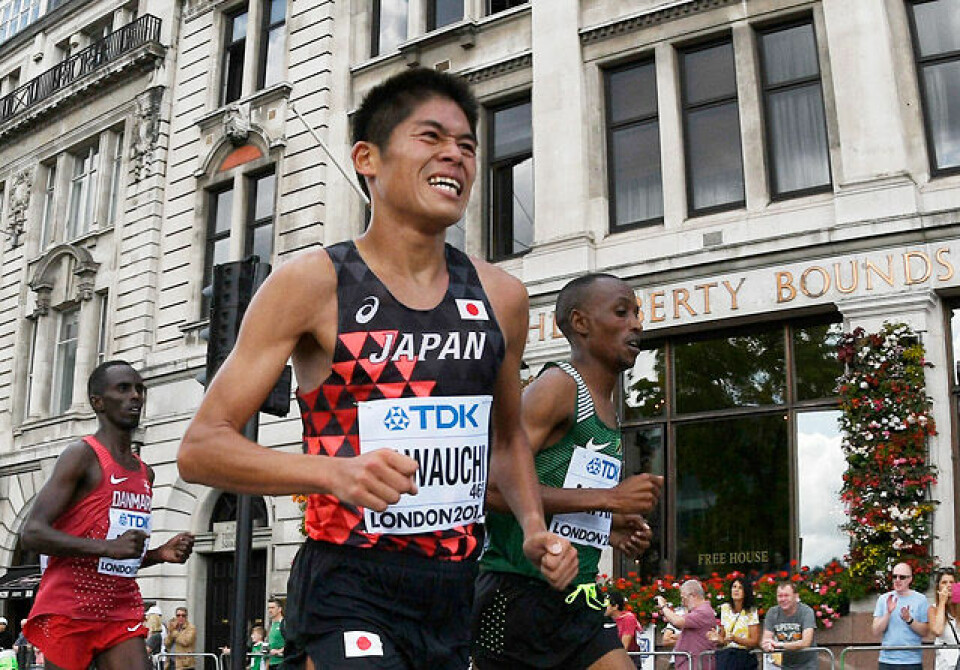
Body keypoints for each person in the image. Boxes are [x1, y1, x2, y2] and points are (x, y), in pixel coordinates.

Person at [177, 67, 577, 670]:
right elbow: (201, 449)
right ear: (367, 158)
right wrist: (334, 474)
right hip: (349, 580)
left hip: (452, 590)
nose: (456, 155)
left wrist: (532, 525)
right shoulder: (312, 283)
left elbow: (506, 437)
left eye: (468, 145)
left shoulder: (503, 296)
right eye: (431, 137)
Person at [471, 273, 662, 670]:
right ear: (580, 322)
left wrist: (607, 527)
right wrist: (610, 498)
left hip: (578, 598)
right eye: (622, 312)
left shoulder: (608, 406)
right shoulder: (558, 386)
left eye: (637, 313)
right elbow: (490, 487)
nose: (637, 325)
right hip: (516, 595)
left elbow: (556, 491)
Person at [20, 360, 195, 670]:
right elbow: (32, 533)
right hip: (70, 607)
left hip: (120, 607)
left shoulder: (145, 473)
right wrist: (108, 547)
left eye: (140, 389)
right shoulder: (81, 456)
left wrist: (158, 554)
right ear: (97, 402)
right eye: (123, 389)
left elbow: (117, 555)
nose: (136, 396)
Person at [872, 562, 929, 670]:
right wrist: (888, 613)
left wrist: (909, 620)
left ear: (910, 579)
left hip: (912, 661)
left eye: (902, 577)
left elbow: (925, 632)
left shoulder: (921, 599)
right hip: (887, 661)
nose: (897, 580)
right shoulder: (884, 599)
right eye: (894, 576)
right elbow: (875, 631)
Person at [657, 580, 718, 670]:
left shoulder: (703, 611)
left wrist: (663, 606)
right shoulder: (698, 611)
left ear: (693, 595)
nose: (682, 602)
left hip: (697, 665)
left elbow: (677, 622)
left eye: (683, 598)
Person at [761, 581, 817, 670]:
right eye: (780, 596)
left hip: (807, 665)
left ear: (796, 596)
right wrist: (767, 645)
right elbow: (766, 639)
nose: (783, 599)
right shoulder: (772, 613)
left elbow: (806, 642)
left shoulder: (806, 612)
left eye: (786, 595)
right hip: (785, 665)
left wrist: (779, 645)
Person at [709, 577, 759, 670]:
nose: (736, 590)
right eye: (734, 587)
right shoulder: (725, 608)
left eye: (740, 588)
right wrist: (717, 638)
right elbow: (724, 640)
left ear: (746, 591)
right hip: (728, 655)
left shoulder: (751, 611)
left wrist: (736, 639)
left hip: (744, 656)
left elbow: (754, 641)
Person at [929, 567, 960, 670]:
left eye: (952, 582)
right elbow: (938, 630)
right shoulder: (933, 609)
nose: (949, 585)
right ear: (938, 587)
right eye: (944, 582)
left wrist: (957, 597)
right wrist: (942, 602)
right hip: (945, 666)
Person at [266, 597, 285, 666]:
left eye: (272, 608)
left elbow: (292, 643)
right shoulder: (270, 625)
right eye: (268, 608)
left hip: (282, 663)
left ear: (279, 609)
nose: (270, 610)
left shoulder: (284, 623)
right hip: (271, 663)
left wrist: (279, 651)